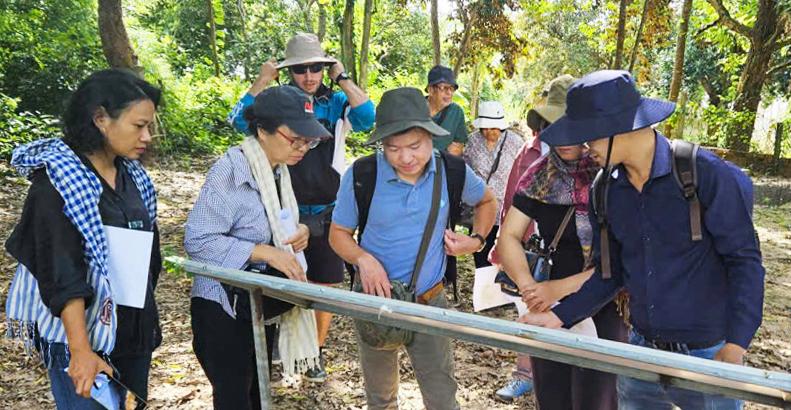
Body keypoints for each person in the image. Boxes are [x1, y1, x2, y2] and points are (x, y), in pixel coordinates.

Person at [520, 70, 765, 410]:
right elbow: (612, 271)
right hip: (640, 351)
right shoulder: (604, 191)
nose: (585, 146)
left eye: (589, 135)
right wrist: (560, 316)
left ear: (621, 125)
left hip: (708, 355)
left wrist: (736, 345)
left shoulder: (707, 176)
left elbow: (745, 262)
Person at [329, 87, 497, 410]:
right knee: (380, 398)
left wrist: (475, 240)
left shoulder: (451, 170)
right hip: (375, 300)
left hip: (429, 300)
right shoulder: (363, 175)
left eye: (414, 146)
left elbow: (488, 200)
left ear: (431, 136)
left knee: (442, 397)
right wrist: (362, 259)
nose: (405, 158)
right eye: (392, 148)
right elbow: (338, 234)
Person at [4, 69, 162, 409]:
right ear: (101, 118)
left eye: (149, 126)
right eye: (139, 126)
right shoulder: (57, 182)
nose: (147, 136)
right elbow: (61, 270)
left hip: (131, 329)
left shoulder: (134, 177)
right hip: (83, 336)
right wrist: (81, 351)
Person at [227, 32, 375, 382]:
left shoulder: (336, 104)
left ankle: (313, 352)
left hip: (327, 207)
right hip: (281, 207)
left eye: (316, 68)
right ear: (287, 72)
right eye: (299, 69)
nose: (309, 76)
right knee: (283, 278)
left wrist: (343, 76)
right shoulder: (278, 103)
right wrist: (263, 80)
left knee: (324, 283)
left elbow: (369, 118)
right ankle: (279, 349)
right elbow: (237, 121)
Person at [185, 85, 330, 409]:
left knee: (258, 390)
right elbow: (198, 241)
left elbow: (275, 223)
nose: (304, 147)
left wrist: (300, 231)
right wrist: (264, 252)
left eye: (309, 140)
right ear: (262, 129)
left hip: (258, 302)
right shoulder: (230, 170)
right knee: (235, 396)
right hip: (223, 308)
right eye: (296, 138)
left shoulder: (277, 171)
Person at [497, 136, 628, 409]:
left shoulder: (616, 178)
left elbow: (621, 261)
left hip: (604, 302)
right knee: (552, 391)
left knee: (596, 396)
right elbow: (508, 236)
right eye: (555, 130)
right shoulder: (541, 174)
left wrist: (559, 288)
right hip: (546, 302)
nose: (563, 139)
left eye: (572, 130)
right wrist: (528, 286)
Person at [490, 74, 576, 403]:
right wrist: (516, 268)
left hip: (588, 281)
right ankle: (525, 374)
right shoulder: (534, 160)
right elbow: (512, 208)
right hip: (539, 258)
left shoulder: (601, 168)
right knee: (534, 320)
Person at [463, 101, 523, 268]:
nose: (490, 132)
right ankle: (483, 291)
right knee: (481, 259)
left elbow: (523, 173)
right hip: (480, 209)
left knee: (503, 260)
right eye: (486, 128)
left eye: (494, 128)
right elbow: (464, 169)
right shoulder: (472, 142)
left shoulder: (515, 142)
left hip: (506, 212)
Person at [426, 65, 467, 155]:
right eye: (444, 88)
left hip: (442, 165)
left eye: (451, 88)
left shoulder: (456, 112)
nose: (449, 93)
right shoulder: (414, 108)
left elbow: (458, 147)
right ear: (431, 90)